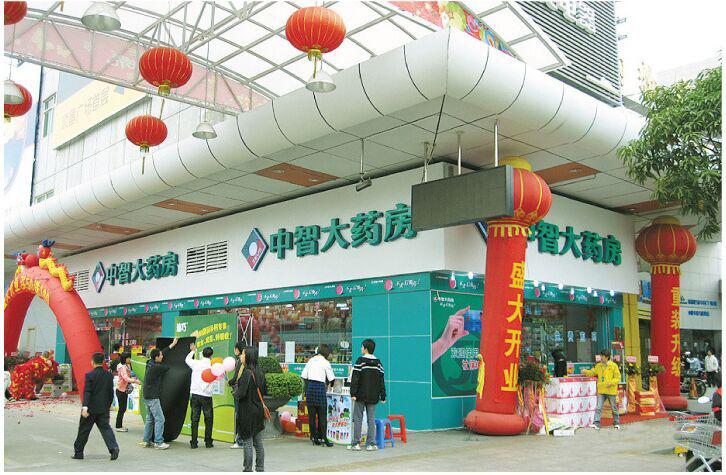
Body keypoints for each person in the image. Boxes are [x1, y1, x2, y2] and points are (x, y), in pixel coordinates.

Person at [72, 352, 120, 461]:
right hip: (103, 408)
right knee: (106, 428)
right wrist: (108, 405)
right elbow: (110, 392)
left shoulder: (90, 375)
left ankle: (79, 452)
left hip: (90, 408)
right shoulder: (109, 375)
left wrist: (85, 407)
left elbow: (87, 392)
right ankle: (113, 448)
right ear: (103, 362)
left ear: (92, 362)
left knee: (84, 430)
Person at [140, 337, 178, 450]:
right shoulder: (157, 367)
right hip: (152, 396)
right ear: (156, 357)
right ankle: (158, 442)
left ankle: (146, 440)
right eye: (160, 356)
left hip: (146, 395)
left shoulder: (149, 363)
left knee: (150, 419)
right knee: (160, 419)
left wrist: (172, 345)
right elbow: (167, 367)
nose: (162, 356)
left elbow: (162, 353)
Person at [349, 339, 386, 451]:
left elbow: (355, 378)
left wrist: (353, 393)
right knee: (371, 419)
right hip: (373, 396)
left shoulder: (360, 361)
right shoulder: (378, 363)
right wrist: (383, 395)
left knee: (358, 419)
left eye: (362, 347)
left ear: (365, 349)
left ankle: (356, 443)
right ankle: (371, 444)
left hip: (360, 395)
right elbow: (381, 380)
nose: (361, 349)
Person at [234, 347, 267, 472]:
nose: (241, 356)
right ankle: (260, 467)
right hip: (258, 411)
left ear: (248, 357)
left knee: (247, 442)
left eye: (243, 354)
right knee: (258, 443)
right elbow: (264, 391)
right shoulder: (260, 373)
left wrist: (235, 392)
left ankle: (247, 469)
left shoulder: (246, 373)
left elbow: (241, 394)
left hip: (247, 412)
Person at [301, 345, 336, 447]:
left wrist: (306, 390)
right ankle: (324, 438)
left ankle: (314, 438)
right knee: (322, 416)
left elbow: (304, 376)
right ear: (326, 353)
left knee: (311, 416)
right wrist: (330, 387)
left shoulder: (311, 361)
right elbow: (332, 378)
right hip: (320, 388)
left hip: (310, 388)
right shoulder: (325, 362)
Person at [582, 349, 621, 430]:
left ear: (607, 357)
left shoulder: (613, 366)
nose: (601, 358)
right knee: (598, 407)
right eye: (601, 356)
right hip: (601, 390)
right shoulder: (598, 365)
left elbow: (617, 378)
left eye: (602, 356)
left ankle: (616, 423)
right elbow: (592, 372)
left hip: (611, 390)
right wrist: (585, 371)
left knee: (613, 408)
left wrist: (611, 383)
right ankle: (596, 423)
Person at [186, 342, 214, 449]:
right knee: (208, 419)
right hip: (207, 396)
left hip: (195, 395)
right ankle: (208, 442)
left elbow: (187, 360)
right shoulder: (212, 366)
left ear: (202, 354)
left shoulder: (196, 363)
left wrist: (193, 351)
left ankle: (194, 442)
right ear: (211, 355)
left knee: (194, 419)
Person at [115, 353, 140, 432]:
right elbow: (126, 378)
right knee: (122, 409)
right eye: (129, 358)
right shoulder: (123, 367)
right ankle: (118, 426)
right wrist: (135, 381)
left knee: (122, 408)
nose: (130, 359)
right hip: (121, 390)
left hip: (123, 390)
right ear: (125, 359)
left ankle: (119, 425)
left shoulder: (125, 365)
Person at [228, 341, 246, 449]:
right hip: (245, 392)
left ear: (237, 350)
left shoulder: (240, 361)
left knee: (239, 416)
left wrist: (229, 382)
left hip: (239, 392)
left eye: (235, 348)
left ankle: (240, 441)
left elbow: (236, 378)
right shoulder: (249, 361)